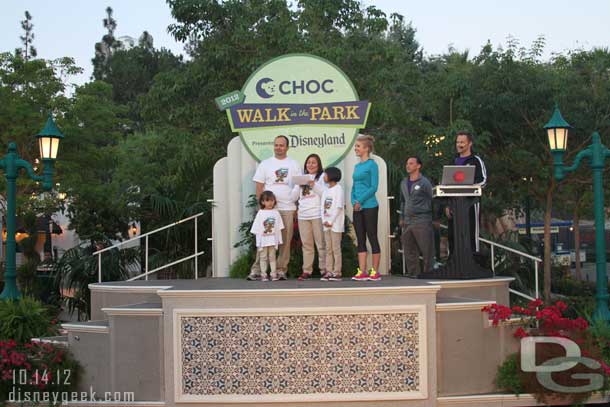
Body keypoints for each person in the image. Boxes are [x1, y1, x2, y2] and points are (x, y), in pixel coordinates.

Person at [247, 135, 302, 280]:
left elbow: (299, 186)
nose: (279, 147)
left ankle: (281, 269)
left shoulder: (294, 164)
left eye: (282, 145)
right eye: (276, 145)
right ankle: (257, 269)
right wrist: (262, 208)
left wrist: (296, 206)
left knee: (285, 241)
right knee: (264, 239)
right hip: (269, 210)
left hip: (288, 208)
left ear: (287, 147)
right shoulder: (265, 164)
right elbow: (259, 185)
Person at [446, 131, 487, 253]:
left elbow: (483, 181)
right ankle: (454, 262)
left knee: (470, 233)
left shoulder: (476, 160)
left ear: (470, 144)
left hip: (471, 203)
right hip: (455, 205)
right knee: (453, 234)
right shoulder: (453, 161)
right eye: (457, 142)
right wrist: (448, 204)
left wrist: (467, 188)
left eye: (462, 142)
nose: (459, 144)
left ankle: (473, 259)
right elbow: (447, 183)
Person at [291, 154, 327, 281]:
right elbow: (293, 197)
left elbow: (325, 194)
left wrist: (313, 185)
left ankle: (324, 270)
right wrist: (298, 186)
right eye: (308, 162)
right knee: (306, 245)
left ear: (318, 165)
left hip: (317, 214)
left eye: (314, 163)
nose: (310, 165)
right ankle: (307, 270)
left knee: (321, 243)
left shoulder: (322, 177)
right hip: (303, 215)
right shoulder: (301, 178)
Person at [351, 134, 381, 281]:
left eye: (358, 146)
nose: (356, 149)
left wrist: (360, 201)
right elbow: (354, 187)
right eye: (356, 146)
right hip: (357, 207)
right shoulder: (357, 166)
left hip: (370, 206)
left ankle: (375, 271)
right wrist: (353, 202)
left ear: (366, 148)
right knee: (360, 238)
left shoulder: (372, 165)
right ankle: (361, 271)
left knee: (372, 236)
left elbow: (374, 187)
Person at [400, 156, 435, 276]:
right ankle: (413, 273)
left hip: (422, 220)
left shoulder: (424, 182)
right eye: (407, 163)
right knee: (409, 249)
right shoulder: (404, 182)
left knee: (426, 249)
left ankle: (429, 272)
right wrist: (401, 217)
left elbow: (433, 198)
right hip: (407, 220)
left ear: (418, 166)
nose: (408, 166)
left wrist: (435, 217)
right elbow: (403, 201)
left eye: (411, 163)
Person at [250, 191, 285, 281]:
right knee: (263, 257)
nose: (270, 203)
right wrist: (259, 241)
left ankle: (273, 274)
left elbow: (279, 227)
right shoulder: (260, 213)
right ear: (262, 202)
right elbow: (256, 229)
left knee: (272, 257)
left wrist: (279, 240)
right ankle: (263, 274)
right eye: (267, 201)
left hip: (273, 240)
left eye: (272, 200)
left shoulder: (276, 213)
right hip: (263, 240)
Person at [320, 167, 344, 281]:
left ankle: (337, 271)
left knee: (336, 248)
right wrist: (324, 220)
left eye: (325, 175)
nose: (324, 177)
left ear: (331, 176)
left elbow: (339, 207)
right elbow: (322, 207)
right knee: (328, 248)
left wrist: (331, 221)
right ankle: (328, 271)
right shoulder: (325, 190)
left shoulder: (338, 189)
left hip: (335, 224)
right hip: (326, 224)